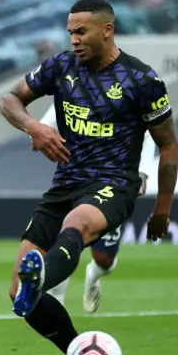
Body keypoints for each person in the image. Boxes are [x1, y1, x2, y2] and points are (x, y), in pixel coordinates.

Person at [0, 0, 178, 355]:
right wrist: (34, 127)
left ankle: (43, 272)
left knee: (76, 224)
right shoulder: (61, 67)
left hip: (113, 184)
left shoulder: (141, 80)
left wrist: (162, 209)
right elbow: (10, 100)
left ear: (107, 30)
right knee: (19, 296)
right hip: (65, 183)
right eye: (70, 32)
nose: (74, 39)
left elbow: (168, 145)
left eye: (81, 32)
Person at [37, 104, 157, 313]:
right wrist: (40, 133)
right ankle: (57, 300)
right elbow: (47, 121)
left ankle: (94, 274)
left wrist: (142, 173)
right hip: (73, 182)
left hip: (110, 187)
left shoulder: (129, 91)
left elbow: (145, 133)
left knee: (105, 260)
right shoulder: (72, 87)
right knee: (68, 237)